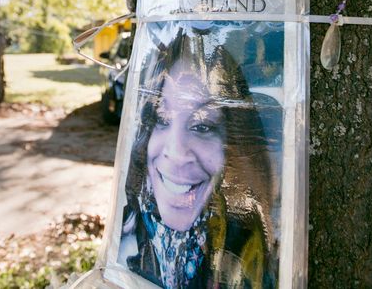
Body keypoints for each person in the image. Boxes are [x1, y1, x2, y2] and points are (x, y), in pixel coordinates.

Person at [118, 27, 277, 288]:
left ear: (235, 143)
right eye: (161, 119)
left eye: (202, 125)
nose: (176, 152)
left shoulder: (254, 256)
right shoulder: (127, 242)